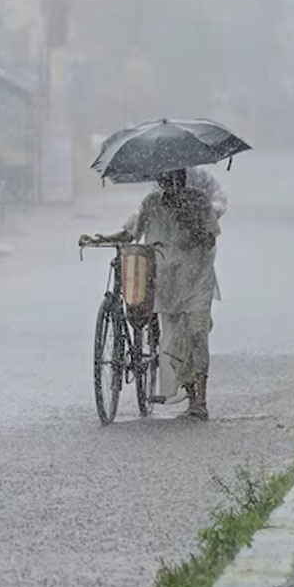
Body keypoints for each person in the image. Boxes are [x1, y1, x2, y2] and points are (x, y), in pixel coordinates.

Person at [81, 168, 221, 419]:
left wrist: (191, 221)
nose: (170, 183)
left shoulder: (199, 201)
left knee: (197, 331)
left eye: (175, 178)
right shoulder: (152, 202)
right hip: (167, 280)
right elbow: (131, 233)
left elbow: (210, 239)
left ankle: (201, 399)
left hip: (197, 276)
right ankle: (191, 394)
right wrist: (101, 239)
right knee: (174, 338)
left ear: (182, 177)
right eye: (165, 179)